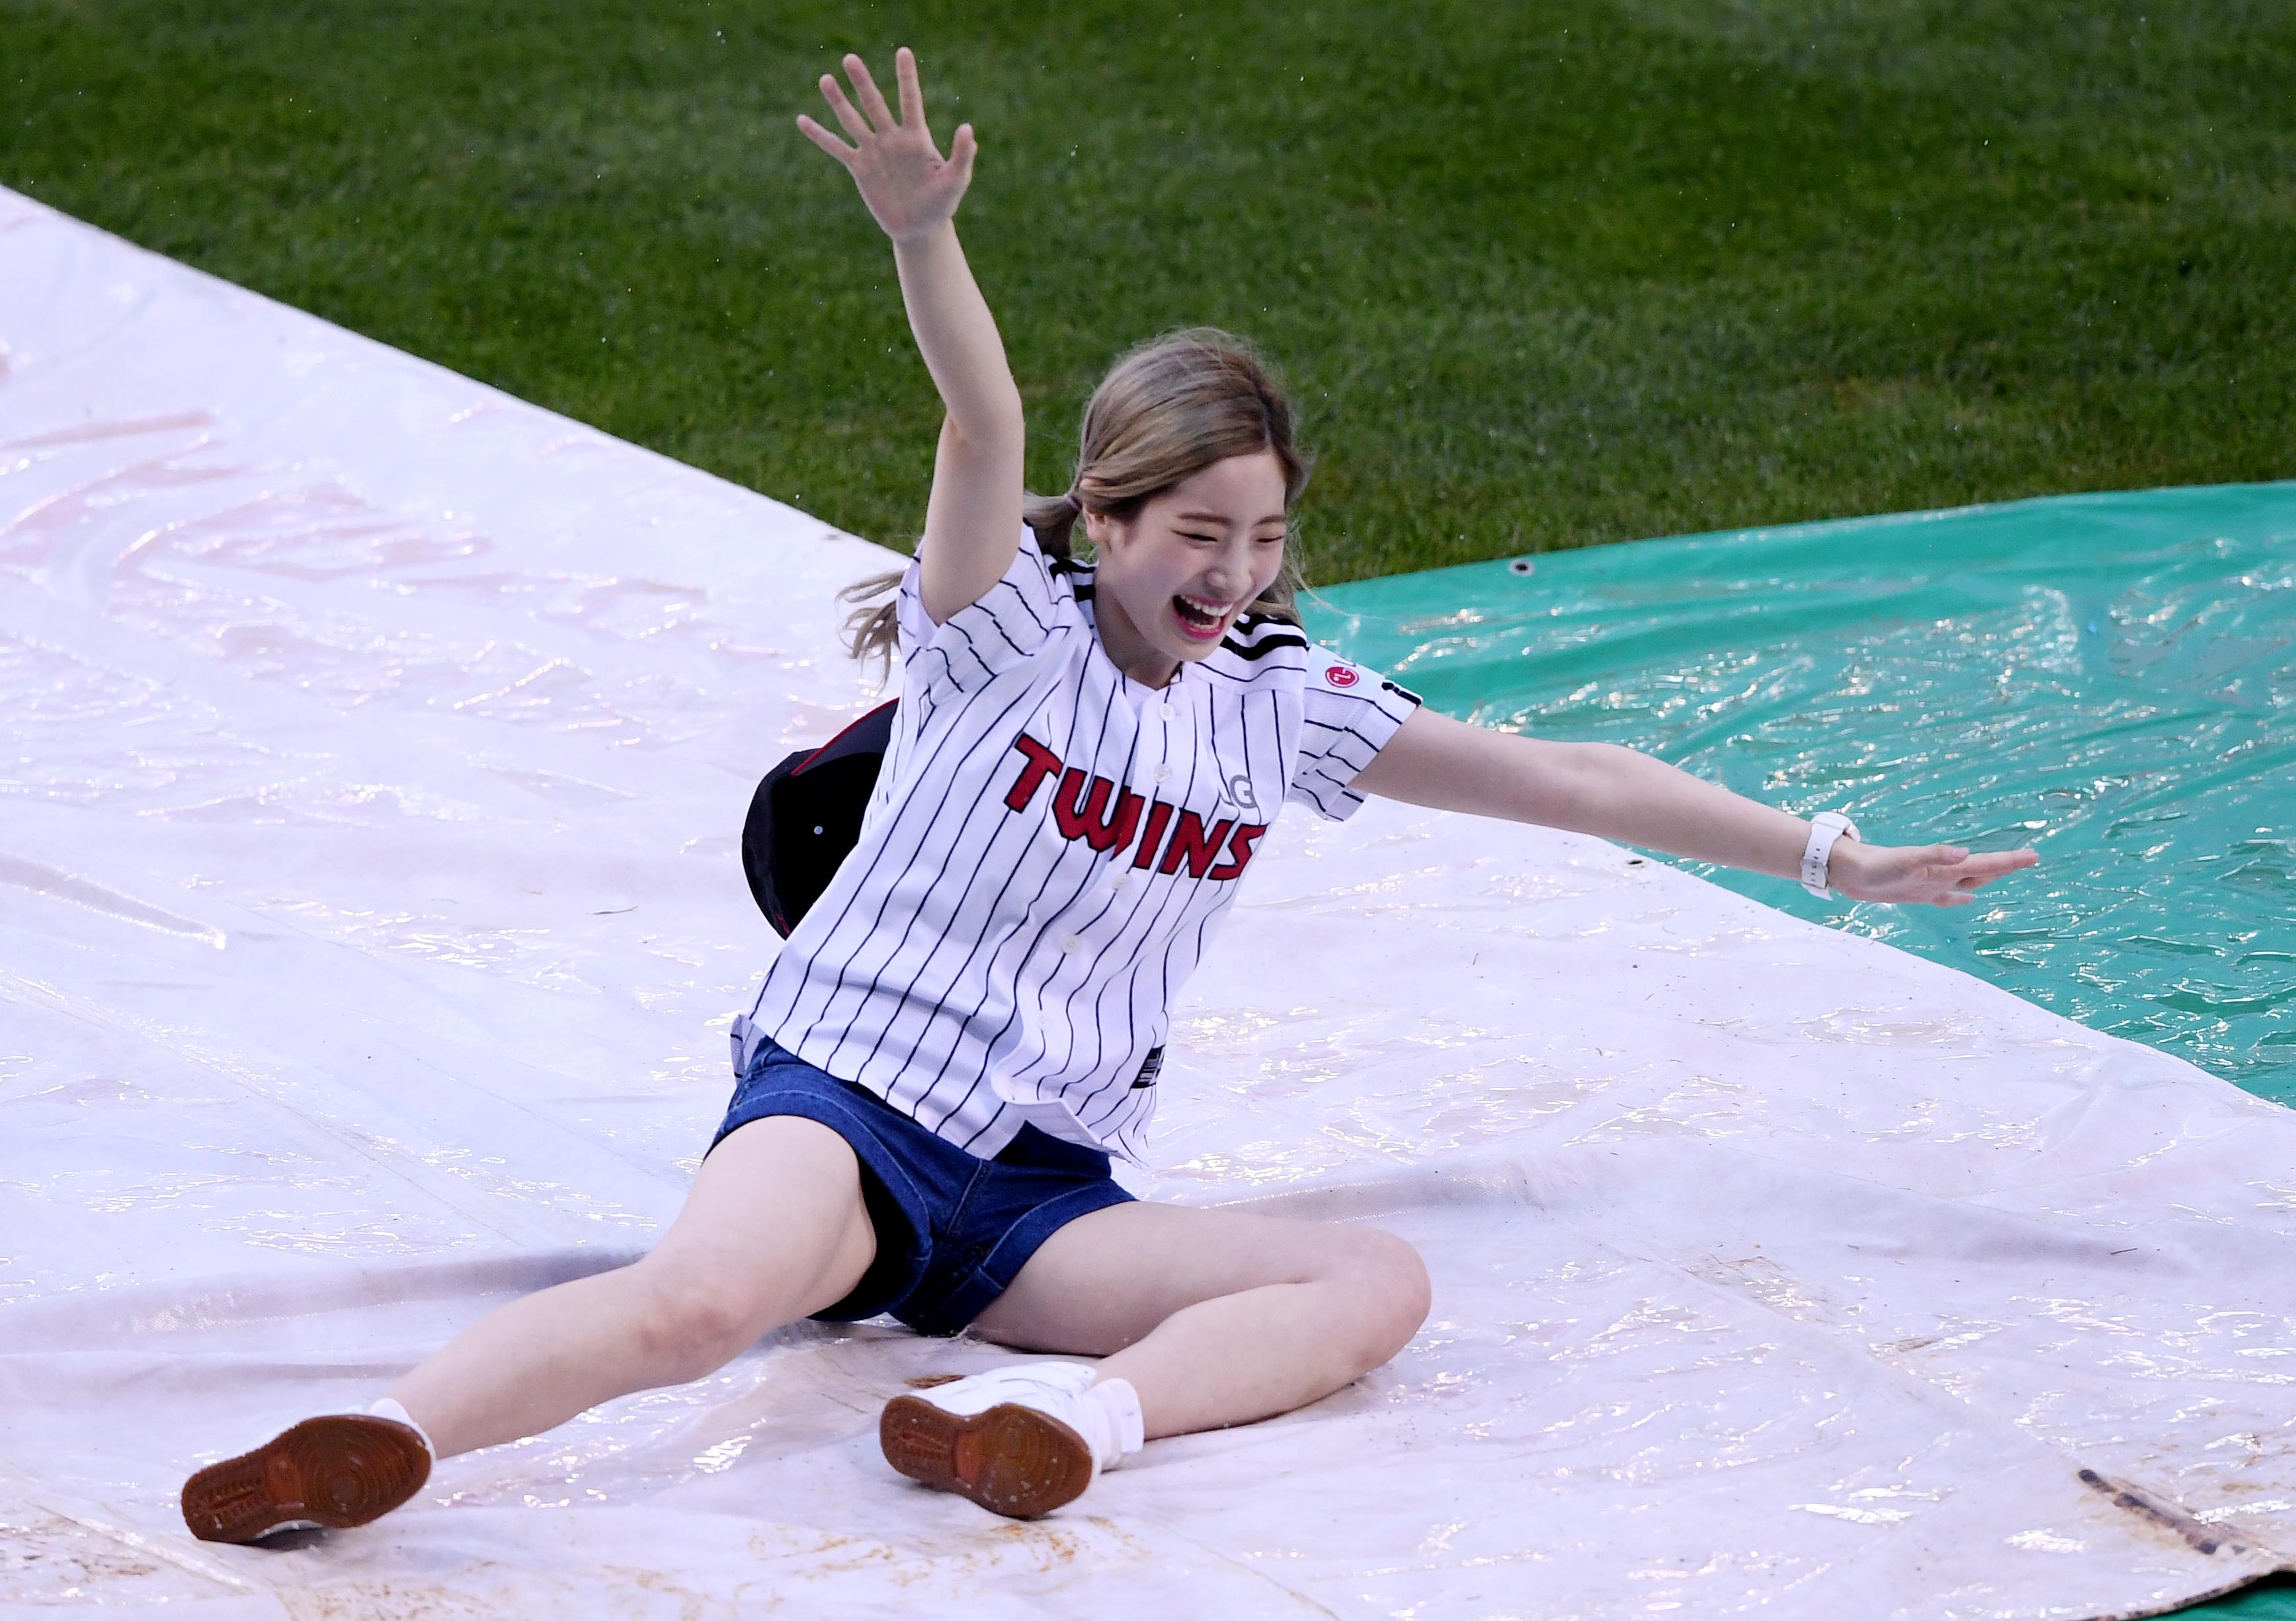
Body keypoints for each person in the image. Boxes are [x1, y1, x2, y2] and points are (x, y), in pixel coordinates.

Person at [179, 48, 2037, 1543]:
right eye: (1198, 533)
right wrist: (924, 237)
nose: (1235, 571)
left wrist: (1828, 856)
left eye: (1266, 537)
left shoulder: (1282, 707)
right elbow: (981, 424)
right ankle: (380, 1443)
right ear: (1114, 515)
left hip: (1039, 1196)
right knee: (695, 1306)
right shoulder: (1001, 633)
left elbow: (1567, 777)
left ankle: (1056, 1421)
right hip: (848, 1106)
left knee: (1371, 1281)